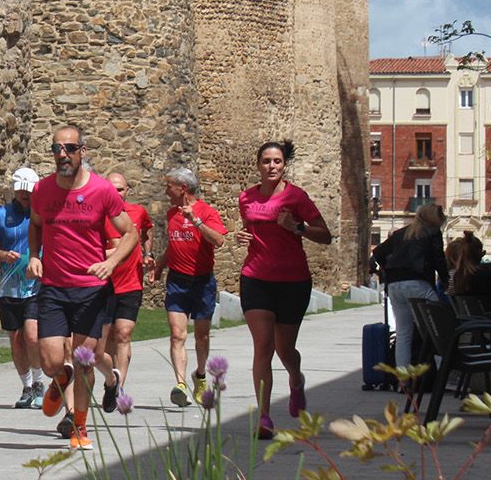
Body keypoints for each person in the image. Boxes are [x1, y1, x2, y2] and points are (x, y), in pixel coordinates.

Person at [27, 126, 137, 450]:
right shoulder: (43, 190)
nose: (63, 155)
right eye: (57, 149)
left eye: (70, 149)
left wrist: (112, 263)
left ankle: (79, 426)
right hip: (54, 286)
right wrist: (34, 255)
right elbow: (35, 225)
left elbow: (129, 233)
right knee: (49, 361)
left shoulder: (102, 191)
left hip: (90, 288)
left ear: (82, 152)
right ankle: (60, 378)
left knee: (85, 358)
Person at [235, 140, 332, 441]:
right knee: (263, 346)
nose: (272, 166)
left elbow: (325, 235)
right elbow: (250, 230)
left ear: (284, 165)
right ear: (258, 164)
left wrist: (297, 228)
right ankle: (264, 417)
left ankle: (296, 378)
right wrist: (242, 236)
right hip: (256, 278)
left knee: (284, 349)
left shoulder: (296, 197)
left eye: (277, 161)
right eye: (266, 161)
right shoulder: (246, 198)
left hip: (292, 280)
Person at [159, 167, 227, 407]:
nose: (166, 191)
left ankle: (199, 375)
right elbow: (173, 246)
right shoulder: (171, 214)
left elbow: (218, 240)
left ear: (183, 188)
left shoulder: (207, 212)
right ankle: (180, 384)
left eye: (169, 186)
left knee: (201, 336)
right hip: (177, 282)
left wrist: (195, 221)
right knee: (177, 335)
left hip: (202, 283)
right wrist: (159, 267)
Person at [0, 167, 45, 408]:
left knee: (32, 335)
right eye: (21, 191)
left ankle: (40, 382)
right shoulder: (2, 215)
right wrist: (2, 254)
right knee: (16, 339)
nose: (25, 196)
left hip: (35, 285)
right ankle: (27, 386)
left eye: (29, 192)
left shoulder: (41, 215)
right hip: (9, 287)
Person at [369, 199, 446, 369]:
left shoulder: (401, 233)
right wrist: (446, 282)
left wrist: (387, 268)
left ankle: (402, 379)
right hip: (418, 284)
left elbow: (378, 252)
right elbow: (439, 260)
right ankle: (444, 372)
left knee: (403, 333)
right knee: (437, 328)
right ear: (435, 219)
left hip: (395, 285)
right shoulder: (433, 233)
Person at [101, 170, 153, 399]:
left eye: (120, 189)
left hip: (131, 282)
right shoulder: (98, 215)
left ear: (127, 190)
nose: (116, 193)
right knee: (107, 337)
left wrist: (148, 253)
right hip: (104, 283)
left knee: (123, 333)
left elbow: (147, 230)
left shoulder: (138, 212)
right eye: (112, 189)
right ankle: (111, 380)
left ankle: (119, 385)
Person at [446, 231, 491, 311]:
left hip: (467, 320)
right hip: (490, 320)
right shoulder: (484, 276)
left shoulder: (453, 276)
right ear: (479, 254)